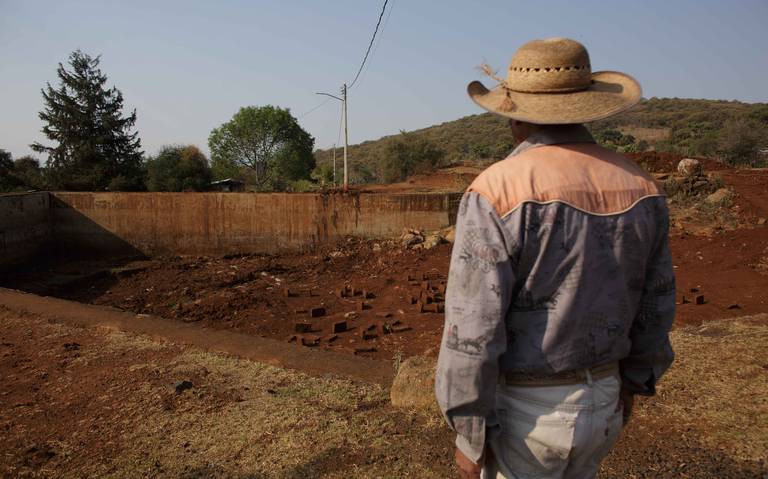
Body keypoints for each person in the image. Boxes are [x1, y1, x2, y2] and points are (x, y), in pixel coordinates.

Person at [434, 37, 675, 479]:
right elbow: (656, 304)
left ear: (512, 114)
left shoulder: (496, 190)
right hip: (604, 399)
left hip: (526, 412)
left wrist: (469, 430)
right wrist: (633, 383)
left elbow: (473, 330)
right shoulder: (642, 187)